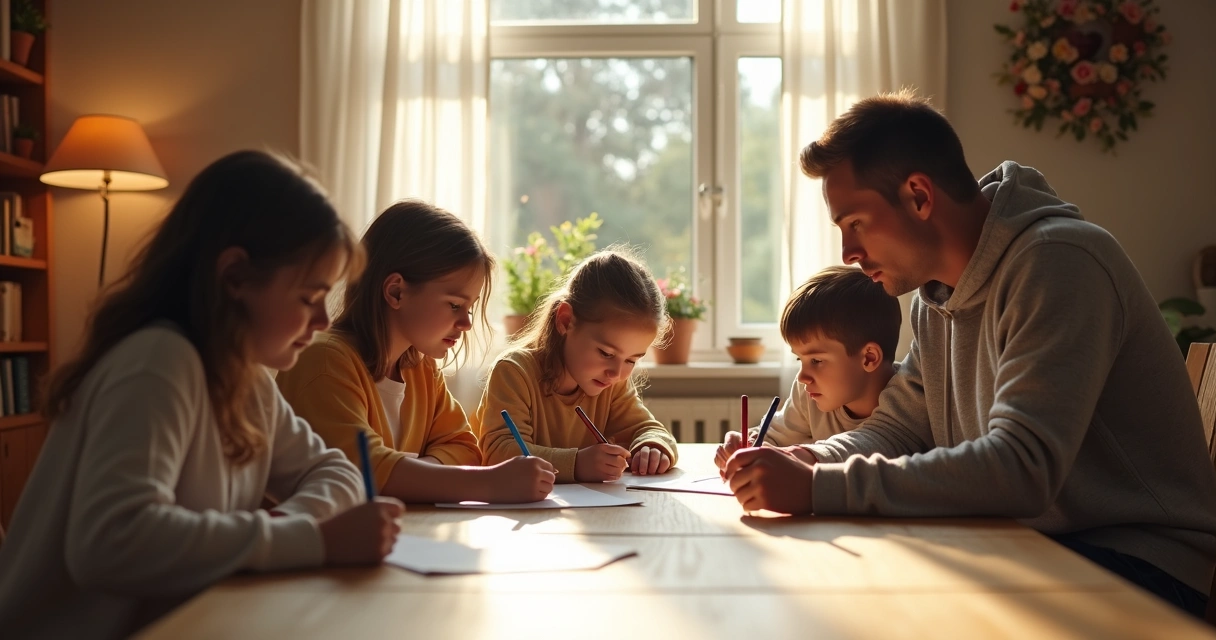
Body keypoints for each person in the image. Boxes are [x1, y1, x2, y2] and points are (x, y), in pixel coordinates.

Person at [723, 90, 1216, 617]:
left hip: (1137, 562)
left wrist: (818, 486)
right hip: (1037, 542)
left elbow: (1023, 467)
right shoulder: (936, 298)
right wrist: (807, 458)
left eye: (855, 224)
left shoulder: (1058, 263)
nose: (848, 253)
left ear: (918, 196)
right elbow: (898, 430)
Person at [0, 151, 403, 638]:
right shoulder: (157, 361)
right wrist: (309, 540)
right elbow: (111, 542)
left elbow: (334, 470)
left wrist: (290, 530)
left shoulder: (246, 377)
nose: (321, 323)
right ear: (234, 277)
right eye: (308, 298)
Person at [277, 199, 555, 503]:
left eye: (470, 308)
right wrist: (488, 484)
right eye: (454, 305)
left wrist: (410, 477)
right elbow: (362, 473)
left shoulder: (419, 369)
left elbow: (464, 447)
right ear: (396, 291)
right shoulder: (323, 361)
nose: (465, 322)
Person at [475, 250, 679, 483]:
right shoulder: (514, 372)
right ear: (565, 321)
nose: (617, 373)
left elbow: (649, 429)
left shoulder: (612, 383)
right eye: (606, 353)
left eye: (632, 360)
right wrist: (577, 464)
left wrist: (652, 447)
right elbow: (499, 453)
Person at [714, 265, 901, 470]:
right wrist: (746, 445)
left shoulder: (911, 401)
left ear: (869, 358)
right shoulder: (809, 394)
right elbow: (774, 438)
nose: (803, 377)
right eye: (799, 360)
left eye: (816, 361)